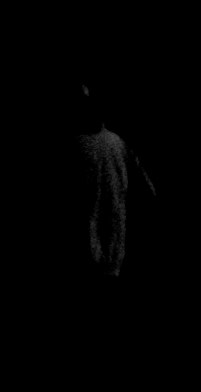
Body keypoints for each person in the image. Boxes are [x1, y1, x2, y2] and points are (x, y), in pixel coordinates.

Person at [67, 86, 147, 287]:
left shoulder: (75, 146)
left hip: (87, 255)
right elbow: (146, 190)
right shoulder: (117, 143)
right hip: (113, 254)